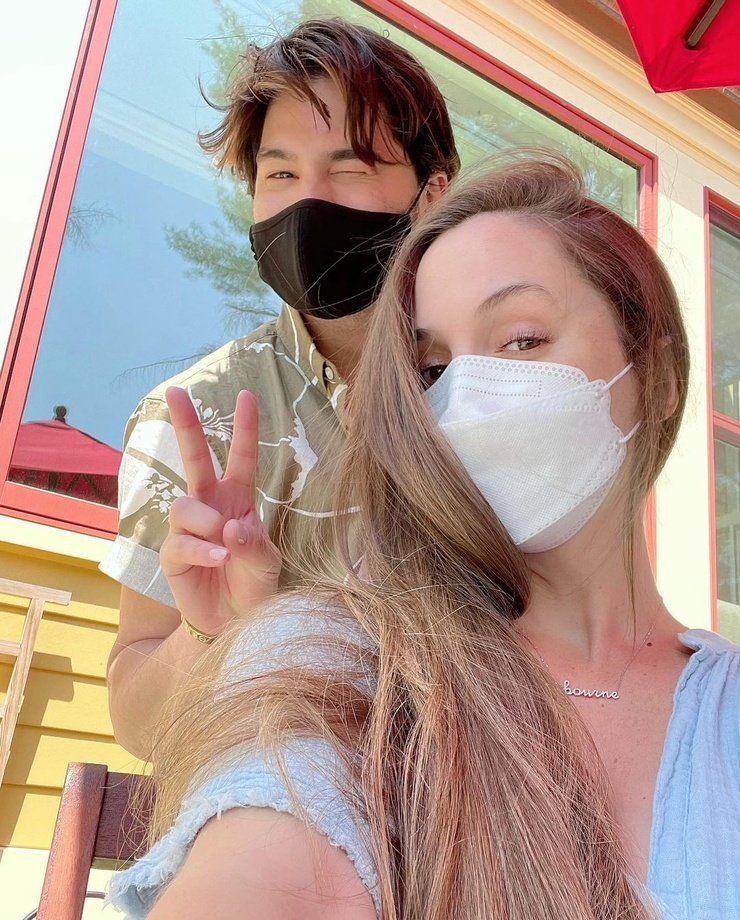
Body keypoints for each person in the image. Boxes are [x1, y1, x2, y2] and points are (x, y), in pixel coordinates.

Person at [107, 153, 740, 920]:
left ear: (658, 376)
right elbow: (272, 857)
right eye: (432, 370)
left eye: (522, 340)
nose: (466, 399)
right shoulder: (348, 661)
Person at [101, 18, 460, 759]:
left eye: (349, 167)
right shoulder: (196, 417)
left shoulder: (495, 384)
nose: (308, 204)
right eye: (281, 175)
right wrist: (208, 633)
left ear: (431, 194)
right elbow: (137, 726)